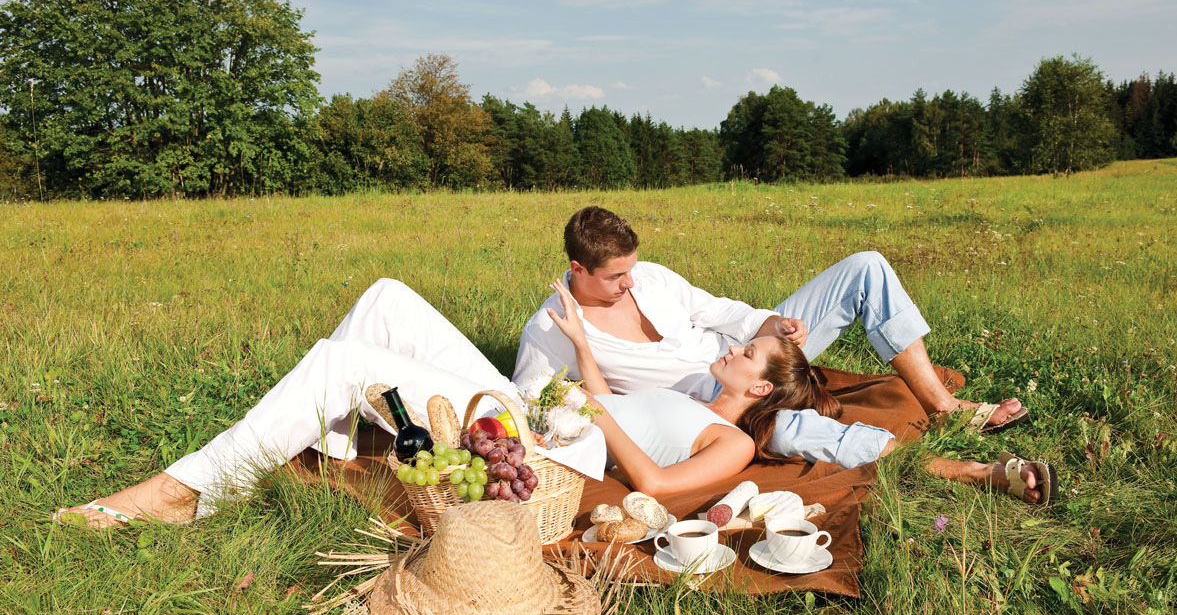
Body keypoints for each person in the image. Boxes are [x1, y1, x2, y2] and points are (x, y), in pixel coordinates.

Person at [53, 277, 837, 526]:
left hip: (552, 446)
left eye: (747, 354)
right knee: (388, 298)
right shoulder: (694, 385)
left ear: (759, 388)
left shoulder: (728, 441)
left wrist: (596, 418)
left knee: (342, 361)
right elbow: (597, 392)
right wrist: (583, 352)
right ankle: (330, 436)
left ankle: (186, 491)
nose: (733, 347)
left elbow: (659, 488)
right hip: (545, 409)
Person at [516, 206, 1052, 503]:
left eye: (633, 268)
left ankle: (941, 405)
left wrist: (770, 326)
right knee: (799, 433)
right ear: (577, 269)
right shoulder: (550, 327)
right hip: (711, 405)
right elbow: (531, 400)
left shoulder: (649, 279)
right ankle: (974, 471)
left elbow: (720, 311)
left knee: (866, 266)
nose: (631, 283)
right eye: (615, 277)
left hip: (747, 356)